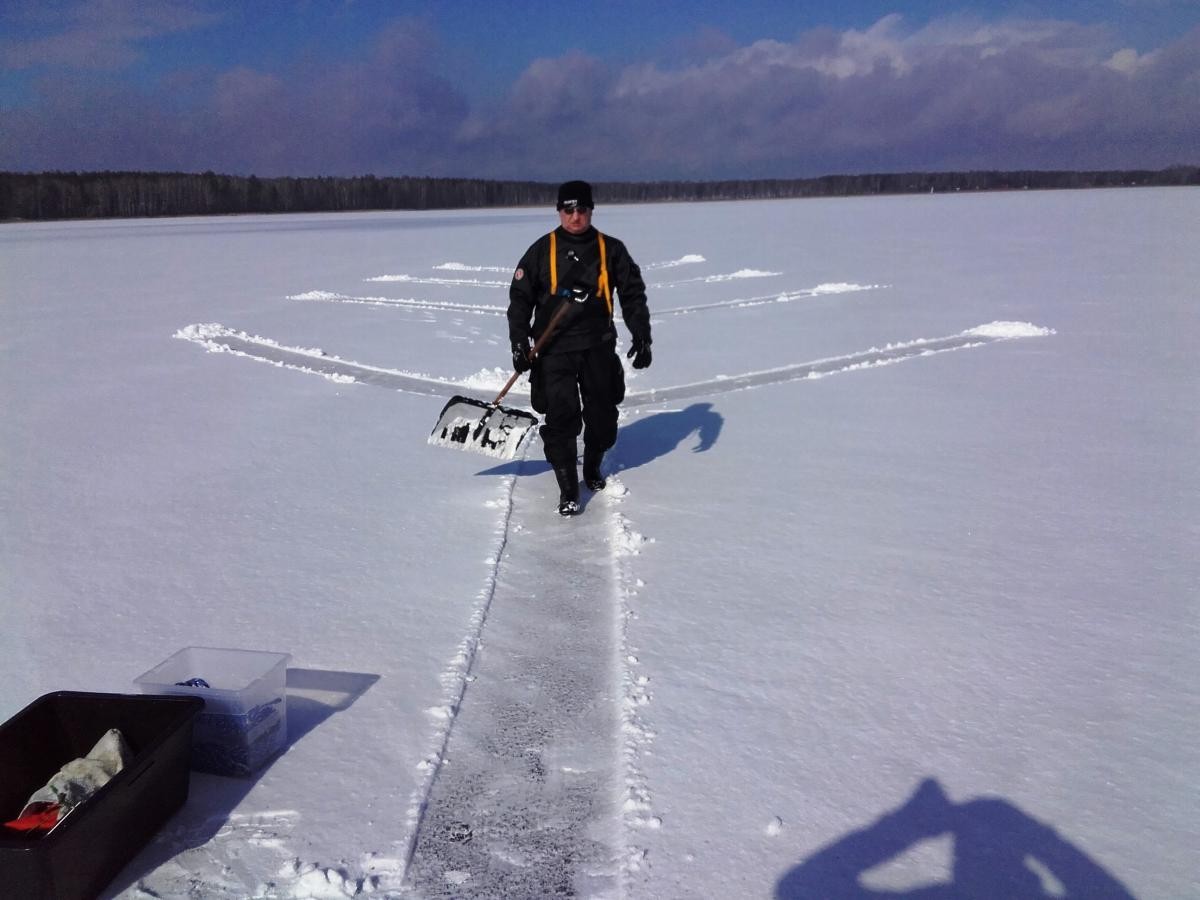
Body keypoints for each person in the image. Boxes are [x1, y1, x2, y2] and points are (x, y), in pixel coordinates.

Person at [508, 180, 653, 516]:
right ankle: (568, 489)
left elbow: (632, 294)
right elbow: (520, 300)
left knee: (602, 415)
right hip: (553, 348)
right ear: (559, 211)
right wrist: (519, 344)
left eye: (581, 209)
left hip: (598, 345)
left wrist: (642, 335)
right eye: (568, 209)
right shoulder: (541, 251)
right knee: (561, 417)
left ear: (591, 210)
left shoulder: (611, 250)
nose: (575, 216)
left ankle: (592, 466)